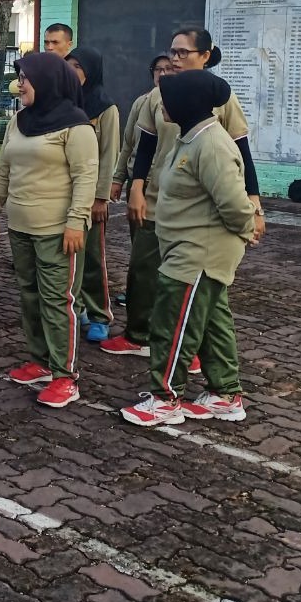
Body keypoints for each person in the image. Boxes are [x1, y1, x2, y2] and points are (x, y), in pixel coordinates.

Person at [107, 27, 265, 360]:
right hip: (157, 199)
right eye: (173, 52)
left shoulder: (221, 97)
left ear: (205, 56)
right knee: (144, 269)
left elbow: (241, 149)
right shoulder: (156, 95)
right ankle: (138, 334)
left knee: (194, 282)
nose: (175, 59)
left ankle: (188, 347)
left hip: (200, 207)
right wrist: (135, 186)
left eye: (183, 53)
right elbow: (144, 145)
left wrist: (254, 202)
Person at [120, 71, 256, 426]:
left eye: (167, 97)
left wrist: (246, 231)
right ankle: (226, 394)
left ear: (187, 103)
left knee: (173, 324)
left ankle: (166, 398)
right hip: (188, 248)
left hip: (199, 253)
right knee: (211, 322)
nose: (160, 104)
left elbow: (236, 205)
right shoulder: (190, 138)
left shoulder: (211, 145)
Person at [0, 52, 98, 409]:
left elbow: (85, 177)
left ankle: (66, 376)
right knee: (29, 295)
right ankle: (41, 360)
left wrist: (76, 221)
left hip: (58, 230)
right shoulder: (20, 121)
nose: (20, 85)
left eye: (26, 78)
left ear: (47, 81)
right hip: (20, 226)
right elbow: (3, 171)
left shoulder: (76, 125)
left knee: (58, 301)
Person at [65, 47, 120, 343]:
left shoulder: (105, 108)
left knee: (94, 258)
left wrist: (101, 198)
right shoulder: (61, 103)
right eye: (68, 65)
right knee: (70, 256)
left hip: (90, 197)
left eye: (78, 66)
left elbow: (109, 154)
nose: (73, 71)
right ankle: (79, 307)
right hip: (63, 194)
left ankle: (100, 314)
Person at [109, 54, 172, 309]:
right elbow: (129, 144)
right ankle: (138, 292)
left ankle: (160, 294)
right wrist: (118, 178)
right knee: (141, 246)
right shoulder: (143, 102)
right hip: (141, 182)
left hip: (168, 185)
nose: (164, 73)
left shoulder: (184, 104)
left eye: (169, 69)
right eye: (159, 69)